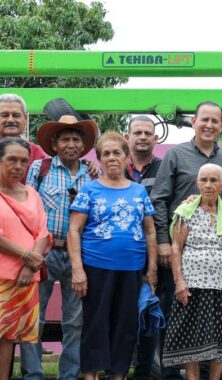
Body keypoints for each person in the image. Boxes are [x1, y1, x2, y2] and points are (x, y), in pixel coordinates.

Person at [151, 101, 222, 380]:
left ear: (221, 126)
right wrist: (164, 240)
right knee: (178, 320)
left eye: (215, 121)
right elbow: (160, 199)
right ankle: (168, 376)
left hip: (219, 260)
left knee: (215, 326)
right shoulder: (176, 155)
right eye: (205, 120)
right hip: (181, 253)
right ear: (193, 122)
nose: (209, 125)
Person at [68, 131, 158, 380]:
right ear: (99, 159)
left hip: (132, 268)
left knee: (125, 325)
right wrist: (77, 269)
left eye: (117, 152)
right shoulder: (89, 190)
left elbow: (150, 231)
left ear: (127, 156)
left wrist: (151, 270)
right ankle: (90, 375)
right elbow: (74, 230)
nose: (112, 158)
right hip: (96, 266)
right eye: (105, 153)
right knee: (95, 324)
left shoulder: (139, 192)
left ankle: (118, 374)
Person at [21, 114, 97, 380]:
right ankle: (33, 374)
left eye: (77, 139)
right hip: (44, 252)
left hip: (78, 257)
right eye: (65, 139)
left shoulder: (92, 174)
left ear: (84, 146)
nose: (71, 144)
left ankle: (69, 374)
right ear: (54, 144)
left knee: (74, 321)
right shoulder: (40, 169)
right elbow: (27, 210)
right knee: (35, 317)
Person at [162, 163, 222, 380]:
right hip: (192, 285)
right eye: (204, 180)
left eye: (214, 180)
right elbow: (176, 247)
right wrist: (179, 282)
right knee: (192, 337)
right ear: (197, 182)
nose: (208, 185)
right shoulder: (186, 211)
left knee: (220, 338)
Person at [0, 137, 50, 380]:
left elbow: (43, 233)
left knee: (9, 337)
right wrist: (27, 256)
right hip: (2, 278)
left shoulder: (32, 194)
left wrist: (31, 266)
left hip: (25, 280)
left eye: (23, 161)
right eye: (11, 160)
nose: (18, 166)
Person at [124, 116, 164, 380]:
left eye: (147, 133)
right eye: (137, 132)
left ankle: (147, 371)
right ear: (127, 136)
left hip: (155, 253)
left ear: (155, 138)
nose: (142, 136)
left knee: (151, 312)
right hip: (123, 253)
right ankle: (118, 369)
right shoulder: (113, 167)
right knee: (122, 313)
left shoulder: (164, 167)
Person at [0, 94, 47, 182]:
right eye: (5, 115)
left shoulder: (36, 152)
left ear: (25, 118)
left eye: (16, 115)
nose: (10, 120)